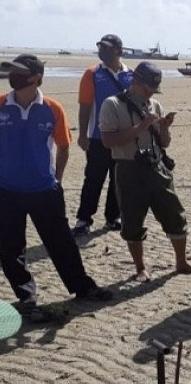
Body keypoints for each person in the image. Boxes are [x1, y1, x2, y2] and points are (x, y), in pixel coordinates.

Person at [0, 54, 113, 321]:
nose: (13, 77)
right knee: (9, 248)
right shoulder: (1, 106)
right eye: (11, 72)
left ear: (37, 78)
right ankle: (26, 296)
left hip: (44, 190)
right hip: (6, 191)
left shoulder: (52, 108)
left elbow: (63, 146)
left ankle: (82, 287)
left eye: (20, 73)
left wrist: (57, 180)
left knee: (61, 242)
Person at [99, 62, 191, 282]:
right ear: (135, 82)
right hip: (128, 168)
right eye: (148, 89)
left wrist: (163, 127)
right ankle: (140, 268)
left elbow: (164, 143)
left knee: (174, 213)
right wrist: (141, 126)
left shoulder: (155, 105)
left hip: (156, 166)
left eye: (154, 90)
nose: (151, 93)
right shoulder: (113, 104)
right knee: (132, 220)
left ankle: (181, 262)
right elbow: (108, 141)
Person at [73, 34, 135, 236]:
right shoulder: (92, 74)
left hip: (124, 139)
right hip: (98, 138)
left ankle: (113, 218)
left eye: (107, 48)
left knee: (118, 180)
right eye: (100, 47)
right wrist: (83, 134)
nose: (102, 51)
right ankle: (84, 219)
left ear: (119, 51)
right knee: (93, 179)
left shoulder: (131, 75)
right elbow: (85, 106)